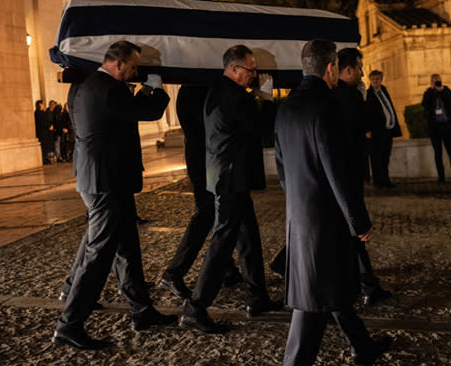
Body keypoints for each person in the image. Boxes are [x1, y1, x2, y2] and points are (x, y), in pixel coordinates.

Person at [275, 39, 389, 366]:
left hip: (301, 214)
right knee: (314, 298)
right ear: (330, 69)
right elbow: (339, 171)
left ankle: (362, 346)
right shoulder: (328, 107)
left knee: (332, 288)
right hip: (327, 219)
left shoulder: (287, 106)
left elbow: (282, 167)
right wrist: (358, 220)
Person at [53, 41, 176, 350]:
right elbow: (146, 111)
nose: (135, 74)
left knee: (127, 247)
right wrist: (157, 90)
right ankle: (69, 324)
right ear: (119, 64)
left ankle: (142, 310)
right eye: (133, 68)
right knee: (99, 256)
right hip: (107, 180)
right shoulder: (110, 89)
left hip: (100, 178)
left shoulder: (83, 86)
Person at [179, 45, 280, 335]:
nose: (254, 75)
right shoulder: (236, 97)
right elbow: (262, 128)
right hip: (231, 178)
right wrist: (267, 99)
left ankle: (256, 297)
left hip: (223, 175)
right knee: (222, 243)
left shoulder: (216, 91)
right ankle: (195, 308)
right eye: (251, 70)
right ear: (234, 69)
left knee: (248, 237)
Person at [158, 85, 243, 299]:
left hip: (202, 156)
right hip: (205, 158)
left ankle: (226, 268)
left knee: (217, 214)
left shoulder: (190, 88)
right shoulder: (199, 90)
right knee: (207, 213)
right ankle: (174, 272)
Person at [334, 48, 391, 306]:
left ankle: (366, 283)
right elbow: (361, 132)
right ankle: (367, 285)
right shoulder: (350, 98)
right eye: (359, 68)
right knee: (355, 230)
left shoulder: (337, 95)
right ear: (347, 70)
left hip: (345, 173)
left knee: (350, 233)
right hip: (349, 173)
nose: (362, 73)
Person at [421, 74, 451, 184]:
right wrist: (432, 90)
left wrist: (442, 91)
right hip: (435, 128)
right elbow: (424, 104)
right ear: (431, 82)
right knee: (438, 154)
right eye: (435, 82)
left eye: (438, 81)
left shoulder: (445, 90)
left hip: (446, 126)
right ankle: (441, 178)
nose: (437, 83)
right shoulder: (428, 92)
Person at [366, 70, 402, 188]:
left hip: (387, 130)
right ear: (370, 80)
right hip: (376, 132)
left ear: (381, 79)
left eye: (377, 79)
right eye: (373, 79)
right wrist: (367, 130)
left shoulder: (384, 91)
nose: (375, 81)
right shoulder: (368, 95)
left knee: (386, 156)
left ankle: (385, 180)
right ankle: (378, 182)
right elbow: (366, 114)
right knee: (377, 157)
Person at [34, 100, 53, 165]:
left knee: (45, 146)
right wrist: (49, 126)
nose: (43, 105)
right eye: (42, 104)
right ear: (40, 105)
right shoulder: (39, 113)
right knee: (43, 146)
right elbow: (43, 122)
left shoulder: (40, 113)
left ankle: (45, 158)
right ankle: (44, 159)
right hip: (42, 132)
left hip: (44, 132)